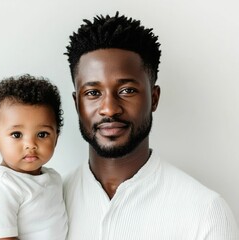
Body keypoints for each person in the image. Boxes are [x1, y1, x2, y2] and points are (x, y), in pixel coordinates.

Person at [63, 12, 239, 239]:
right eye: (93, 93)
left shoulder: (205, 213)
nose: (109, 108)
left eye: (127, 91)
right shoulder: (46, 201)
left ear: (154, 98)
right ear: (77, 103)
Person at [0, 74, 68, 240]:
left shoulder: (53, 178)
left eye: (42, 134)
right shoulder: (3, 186)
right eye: (17, 134)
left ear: (56, 138)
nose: (30, 144)